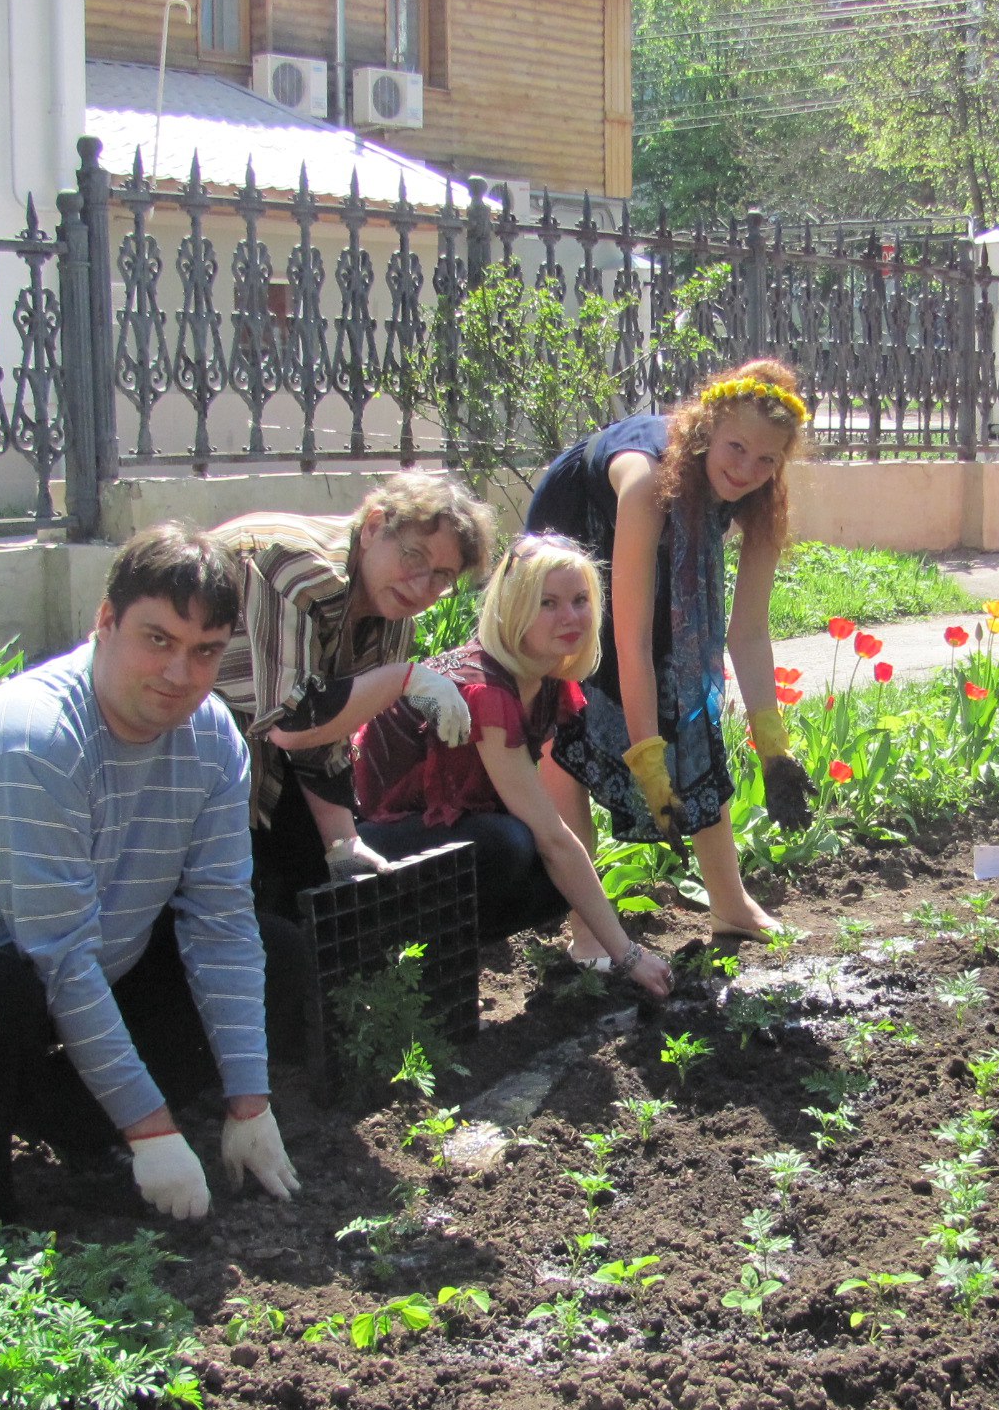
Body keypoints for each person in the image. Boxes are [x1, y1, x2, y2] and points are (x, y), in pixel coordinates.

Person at [0, 524, 307, 1225]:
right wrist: (152, 1131)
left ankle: (72, 1119)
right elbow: (59, 959)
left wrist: (250, 1102)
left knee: (274, 953)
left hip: (77, 964)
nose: (179, 673)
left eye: (204, 651)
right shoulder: (35, 741)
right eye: (158, 640)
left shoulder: (211, 741)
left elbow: (221, 923)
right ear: (105, 623)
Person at [524, 359, 815, 958]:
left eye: (767, 460)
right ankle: (587, 926)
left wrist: (774, 747)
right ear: (707, 428)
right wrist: (648, 760)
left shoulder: (760, 496)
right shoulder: (646, 481)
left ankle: (730, 905)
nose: (747, 470)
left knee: (689, 698)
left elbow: (749, 634)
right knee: (566, 718)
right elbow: (629, 643)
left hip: (651, 551)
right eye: (736, 447)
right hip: (567, 554)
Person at [352, 534, 675, 998]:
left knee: (550, 876)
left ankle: (437, 958)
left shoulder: (543, 682)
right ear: (514, 608)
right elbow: (548, 835)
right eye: (548, 603)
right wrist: (628, 956)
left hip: (429, 840)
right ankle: (403, 958)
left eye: (580, 600)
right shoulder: (487, 689)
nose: (570, 616)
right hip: (366, 843)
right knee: (512, 845)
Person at [210, 475, 498, 920]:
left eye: (442, 576)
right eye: (414, 556)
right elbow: (294, 719)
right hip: (159, 746)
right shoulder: (299, 566)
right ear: (374, 527)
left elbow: (325, 735)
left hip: (249, 749)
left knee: (311, 896)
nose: (423, 586)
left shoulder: (391, 614)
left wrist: (342, 845)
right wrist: (405, 679)